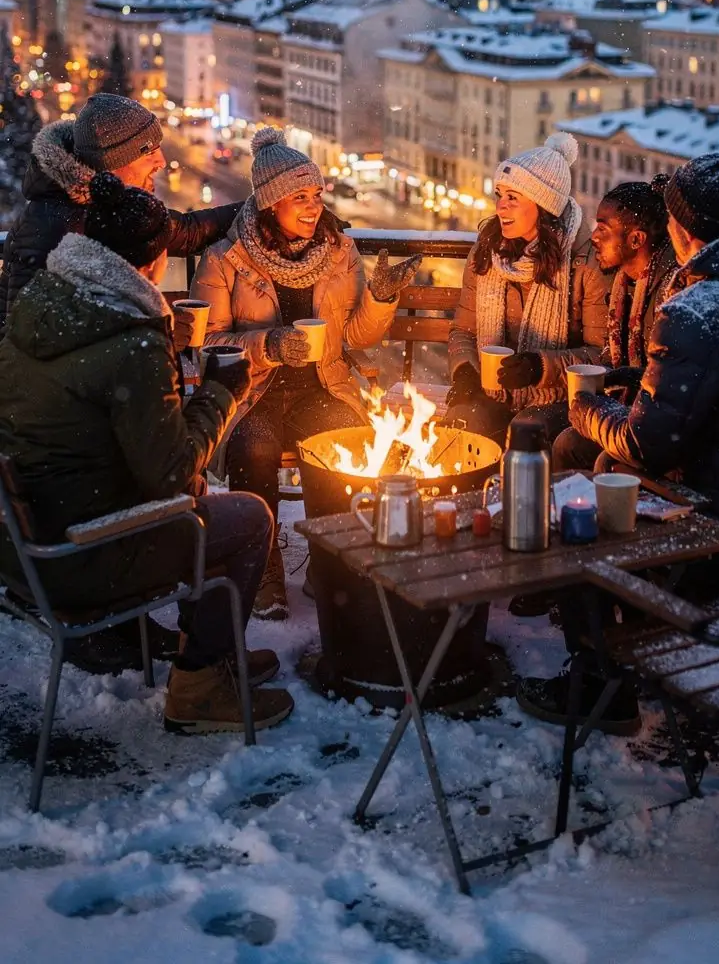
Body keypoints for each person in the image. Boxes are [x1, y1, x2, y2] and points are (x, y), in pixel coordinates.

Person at [517, 146, 719, 734]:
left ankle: (599, 682)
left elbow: (651, 445)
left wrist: (583, 406)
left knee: (583, 497)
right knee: (598, 461)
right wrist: (636, 381)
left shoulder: (700, 309)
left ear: (681, 229)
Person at [0, 171, 294, 733]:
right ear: (153, 264)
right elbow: (175, 475)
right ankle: (200, 686)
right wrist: (219, 392)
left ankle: (214, 656)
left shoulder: (43, 305)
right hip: (80, 556)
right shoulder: (131, 339)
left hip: (23, 547)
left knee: (207, 509)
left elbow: (90, 417)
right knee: (247, 518)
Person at [192, 127, 422, 619]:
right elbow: (207, 347)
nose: (314, 206)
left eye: (316, 195)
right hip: (254, 391)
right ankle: (263, 567)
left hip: (322, 382)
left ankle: (330, 558)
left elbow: (356, 338)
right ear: (271, 203)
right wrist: (269, 344)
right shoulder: (225, 259)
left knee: (339, 438)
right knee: (253, 446)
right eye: (300, 197)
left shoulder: (338, 250)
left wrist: (381, 297)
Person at [0, 93, 241, 333]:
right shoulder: (51, 227)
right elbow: (34, 335)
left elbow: (188, 231)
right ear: (113, 163)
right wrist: (151, 332)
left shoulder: (116, 207)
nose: (162, 161)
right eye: (149, 152)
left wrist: (261, 204)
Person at [446, 132, 608, 447]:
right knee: (459, 425)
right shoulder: (487, 251)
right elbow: (463, 331)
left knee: (526, 430)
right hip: (495, 392)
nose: (500, 207)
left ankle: (522, 496)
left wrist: (538, 367)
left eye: (513, 198)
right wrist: (465, 371)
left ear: (544, 206)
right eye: (499, 195)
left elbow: (600, 356)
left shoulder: (583, 261)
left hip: (559, 399)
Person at [550, 176, 676, 474]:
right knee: (567, 439)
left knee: (569, 444)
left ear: (636, 240)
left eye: (603, 229)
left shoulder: (671, 291)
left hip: (654, 431)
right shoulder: (622, 284)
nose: (593, 236)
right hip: (636, 415)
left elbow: (665, 383)